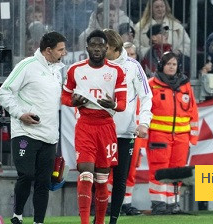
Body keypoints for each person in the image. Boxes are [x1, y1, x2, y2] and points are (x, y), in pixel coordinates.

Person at [0, 31, 67, 224]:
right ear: (48, 50)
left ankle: (38, 221)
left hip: (50, 136)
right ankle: (17, 215)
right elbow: (3, 93)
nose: (64, 53)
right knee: (26, 175)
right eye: (61, 49)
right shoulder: (27, 66)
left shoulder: (57, 70)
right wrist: (20, 114)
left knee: (44, 182)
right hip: (25, 132)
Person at [61, 29, 127, 224]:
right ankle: (84, 221)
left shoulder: (116, 71)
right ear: (87, 47)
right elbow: (64, 96)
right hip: (85, 125)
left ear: (107, 48)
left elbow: (122, 104)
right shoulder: (76, 69)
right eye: (94, 45)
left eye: (101, 45)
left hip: (106, 126)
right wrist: (74, 101)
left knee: (101, 180)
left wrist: (112, 105)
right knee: (86, 172)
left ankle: (99, 221)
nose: (97, 49)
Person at [103, 29, 152, 223]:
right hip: (100, 130)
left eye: (103, 47)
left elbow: (146, 95)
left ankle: (113, 219)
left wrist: (144, 123)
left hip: (125, 131)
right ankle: (99, 216)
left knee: (121, 177)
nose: (99, 50)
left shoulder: (133, 66)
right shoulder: (95, 65)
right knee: (98, 175)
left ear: (114, 47)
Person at [147, 52, 198, 214]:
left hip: (182, 137)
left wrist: (193, 137)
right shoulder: (152, 84)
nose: (171, 67)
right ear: (162, 65)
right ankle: (158, 204)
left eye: (174, 64)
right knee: (159, 170)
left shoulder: (185, 85)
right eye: (168, 64)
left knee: (177, 170)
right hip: (158, 136)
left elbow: (193, 112)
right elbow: (144, 112)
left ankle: (173, 204)